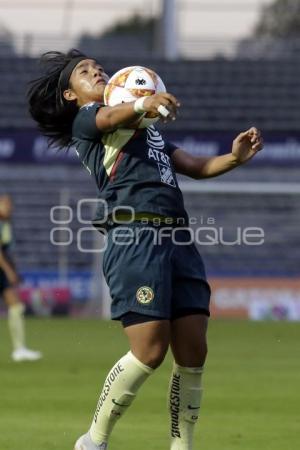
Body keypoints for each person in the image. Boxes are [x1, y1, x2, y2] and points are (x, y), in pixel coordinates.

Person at [27, 49, 263, 450]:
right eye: (85, 72)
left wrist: (235, 158)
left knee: (193, 351)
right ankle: (93, 440)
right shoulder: (90, 120)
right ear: (72, 95)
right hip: (134, 237)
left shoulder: (149, 131)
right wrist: (143, 102)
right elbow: (109, 116)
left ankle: (181, 445)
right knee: (150, 351)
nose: (97, 72)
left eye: (99, 67)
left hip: (179, 241)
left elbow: (197, 166)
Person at [0, 194, 42, 362]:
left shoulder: (6, 222)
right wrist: (10, 272)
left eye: (10, 204)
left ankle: (19, 349)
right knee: (16, 306)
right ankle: (19, 349)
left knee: (16, 306)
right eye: (5, 203)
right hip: (1, 270)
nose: (10, 207)